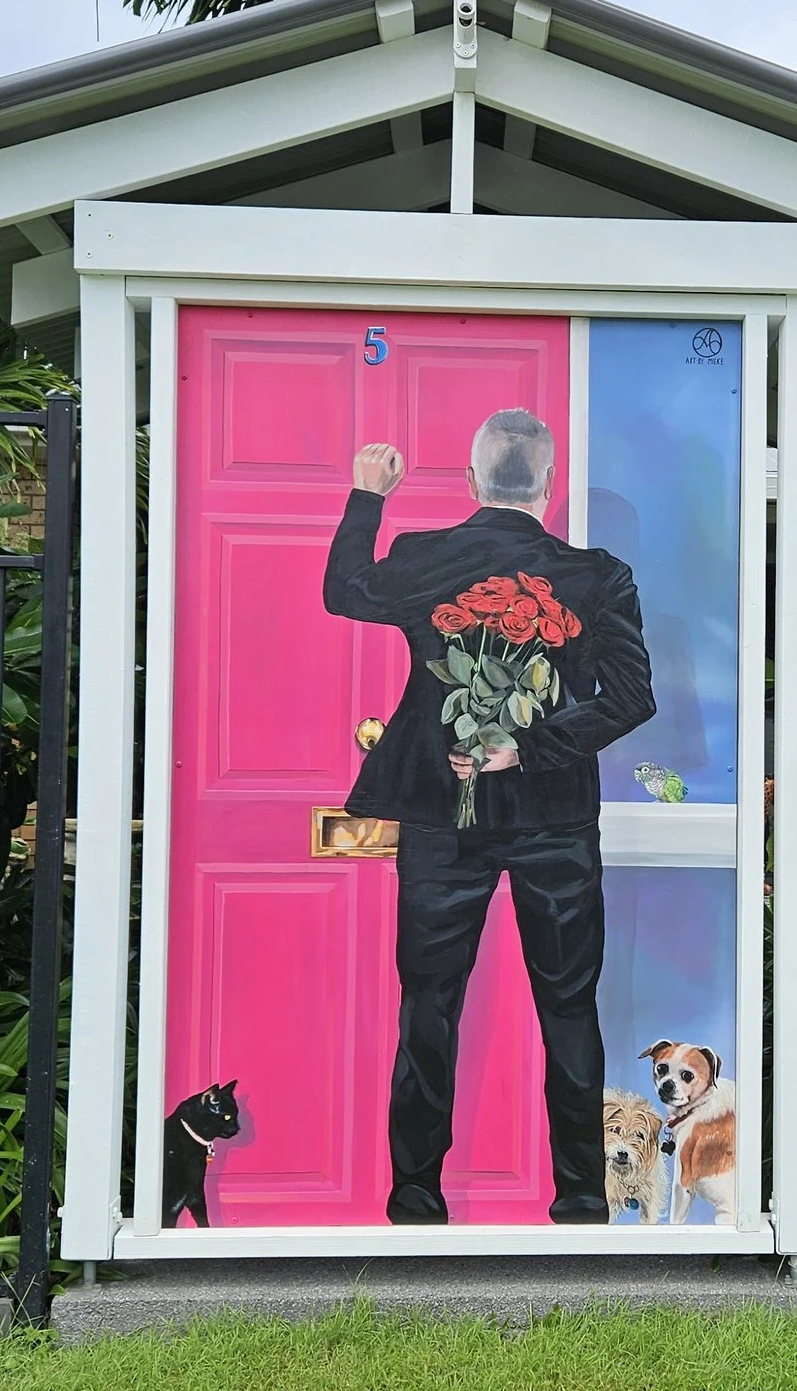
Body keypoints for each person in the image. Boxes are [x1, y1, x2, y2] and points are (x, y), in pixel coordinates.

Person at [322, 408, 655, 1225]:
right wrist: (533, 746)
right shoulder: (599, 576)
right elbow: (632, 697)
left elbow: (343, 591)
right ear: (548, 486)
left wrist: (369, 496)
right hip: (556, 822)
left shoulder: (424, 558)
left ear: (471, 484)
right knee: (569, 1007)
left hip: (443, 819)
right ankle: (581, 1201)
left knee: (428, 1005)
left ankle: (414, 1200)